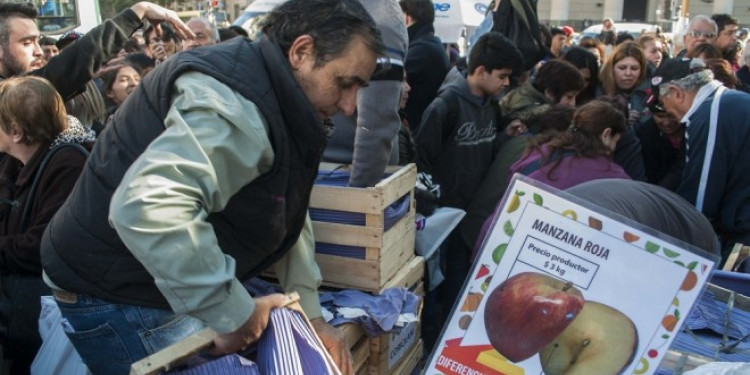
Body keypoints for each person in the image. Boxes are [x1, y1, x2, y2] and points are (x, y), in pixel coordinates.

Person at [40, 0, 384, 374]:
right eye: (344, 84)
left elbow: (285, 208)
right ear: (301, 52)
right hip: (121, 291)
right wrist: (234, 312)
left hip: (142, 277)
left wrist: (312, 314)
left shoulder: (275, 92)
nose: (351, 106)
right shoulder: (234, 105)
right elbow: (150, 205)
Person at [415, 31, 522, 351]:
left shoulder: (492, 106)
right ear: (480, 71)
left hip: (475, 215)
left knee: (463, 282)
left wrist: (505, 137)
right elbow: (422, 158)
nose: (506, 83)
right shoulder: (445, 106)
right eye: (502, 76)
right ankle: (434, 344)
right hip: (444, 217)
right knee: (439, 285)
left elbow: (486, 152)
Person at [0, 76, 95, 374]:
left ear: (16, 131)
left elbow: (44, 244)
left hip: (47, 316)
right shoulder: (15, 162)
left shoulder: (68, 163)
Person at [652, 57, 750, 262]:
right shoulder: (728, 101)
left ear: (676, 93)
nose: (667, 112)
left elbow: (701, 194)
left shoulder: (710, 112)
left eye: (663, 103)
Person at [0, 1, 192, 100]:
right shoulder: (10, 97)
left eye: (37, 41)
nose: (39, 51)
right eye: (26, 43)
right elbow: (59, 73)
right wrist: (138, 12)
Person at [323, 0, 408, 187]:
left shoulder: (380, 19)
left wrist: (356, 197)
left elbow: (377, 124)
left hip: (342, 176)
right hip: (325, 170)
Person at [509, 100, 630, 189]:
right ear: (606, 134)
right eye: (616, 141)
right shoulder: (612, 175)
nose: (613, 148)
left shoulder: (542, 147)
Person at [399, 0, 450, 133]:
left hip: (416, 132)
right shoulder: (431, 45)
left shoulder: (420, 50)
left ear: (406, 17)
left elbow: (389, 87)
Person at [638, 85, 684, 190]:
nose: (667, 122)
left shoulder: (692, 129)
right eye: (660, 116)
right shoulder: (646, 134)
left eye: (672, 116)